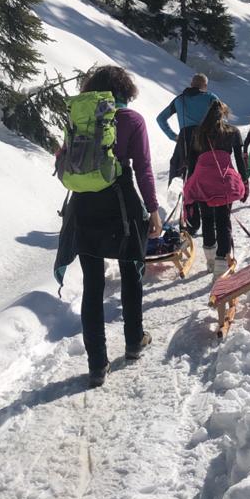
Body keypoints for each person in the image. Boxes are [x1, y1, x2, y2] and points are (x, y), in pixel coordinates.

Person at [56, 66, 163, 388]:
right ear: (125, 90)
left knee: (92, 286)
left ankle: (96, 364)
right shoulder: (132, 120)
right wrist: (153, 209)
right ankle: (133, 341)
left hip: (84, 205)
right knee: (131, 272)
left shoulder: (80, 118)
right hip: (121, 205)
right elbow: (143, 168)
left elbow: (63, 161)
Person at [183, 100, 248, 276]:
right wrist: (245, 182)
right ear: (224, 114)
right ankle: (221, 264)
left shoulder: (198, 133)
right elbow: (240, 160)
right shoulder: (232, 132)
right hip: (224, 181)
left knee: (207, 219)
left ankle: (210, 261)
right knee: (223, 221)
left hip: (202, 181)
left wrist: (190, 184)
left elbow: (192, 162)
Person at [156, 73, 220, 231]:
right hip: (205, 140)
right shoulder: (211, 98)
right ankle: (209, 219)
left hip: (184, 141)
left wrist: (173, 136)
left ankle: (190, 221)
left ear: (191, 84)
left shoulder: (180, 99)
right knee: (206, 178)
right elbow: (220, 120)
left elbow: (160, 118)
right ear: (205, 86)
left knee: (184, 178)